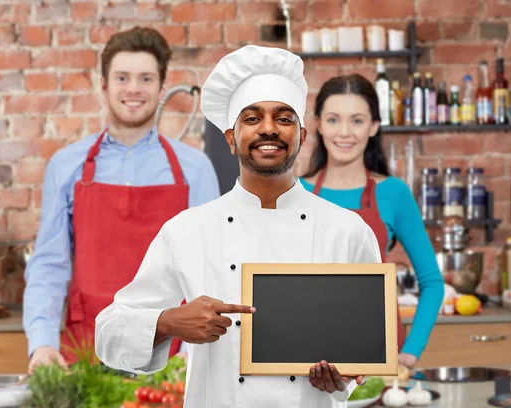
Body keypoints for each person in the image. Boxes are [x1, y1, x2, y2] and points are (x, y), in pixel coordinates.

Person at [95, 45, 381, 408]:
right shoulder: (187, 231)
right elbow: (108, 334)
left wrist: (342, 379)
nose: (268, 129)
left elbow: (362, 347)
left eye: (283, 118)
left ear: (302, 137)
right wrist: (168, 322)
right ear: (231, 138)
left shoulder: (348, 232)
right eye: (252, 118)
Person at [23, 26, 219, 374]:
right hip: (85, 350)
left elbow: (211, 269)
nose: (133, 89)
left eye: (145, 78)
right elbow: (49, 264)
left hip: (170, 352)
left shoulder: (195, 169)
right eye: (122, 77)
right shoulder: (66, 166)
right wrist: (41, 342)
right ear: (104, 86)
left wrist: (192, 353)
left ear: (161, 87)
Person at [298, 74, 444, 368]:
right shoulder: (294, 192)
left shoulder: (393, 193)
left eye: (357, 120)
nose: (344, 132)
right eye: (333, 119)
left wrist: (410, 353)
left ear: (373, 126)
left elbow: (432, 282)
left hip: (380, 351)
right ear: (318, 124)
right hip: (307, 352)